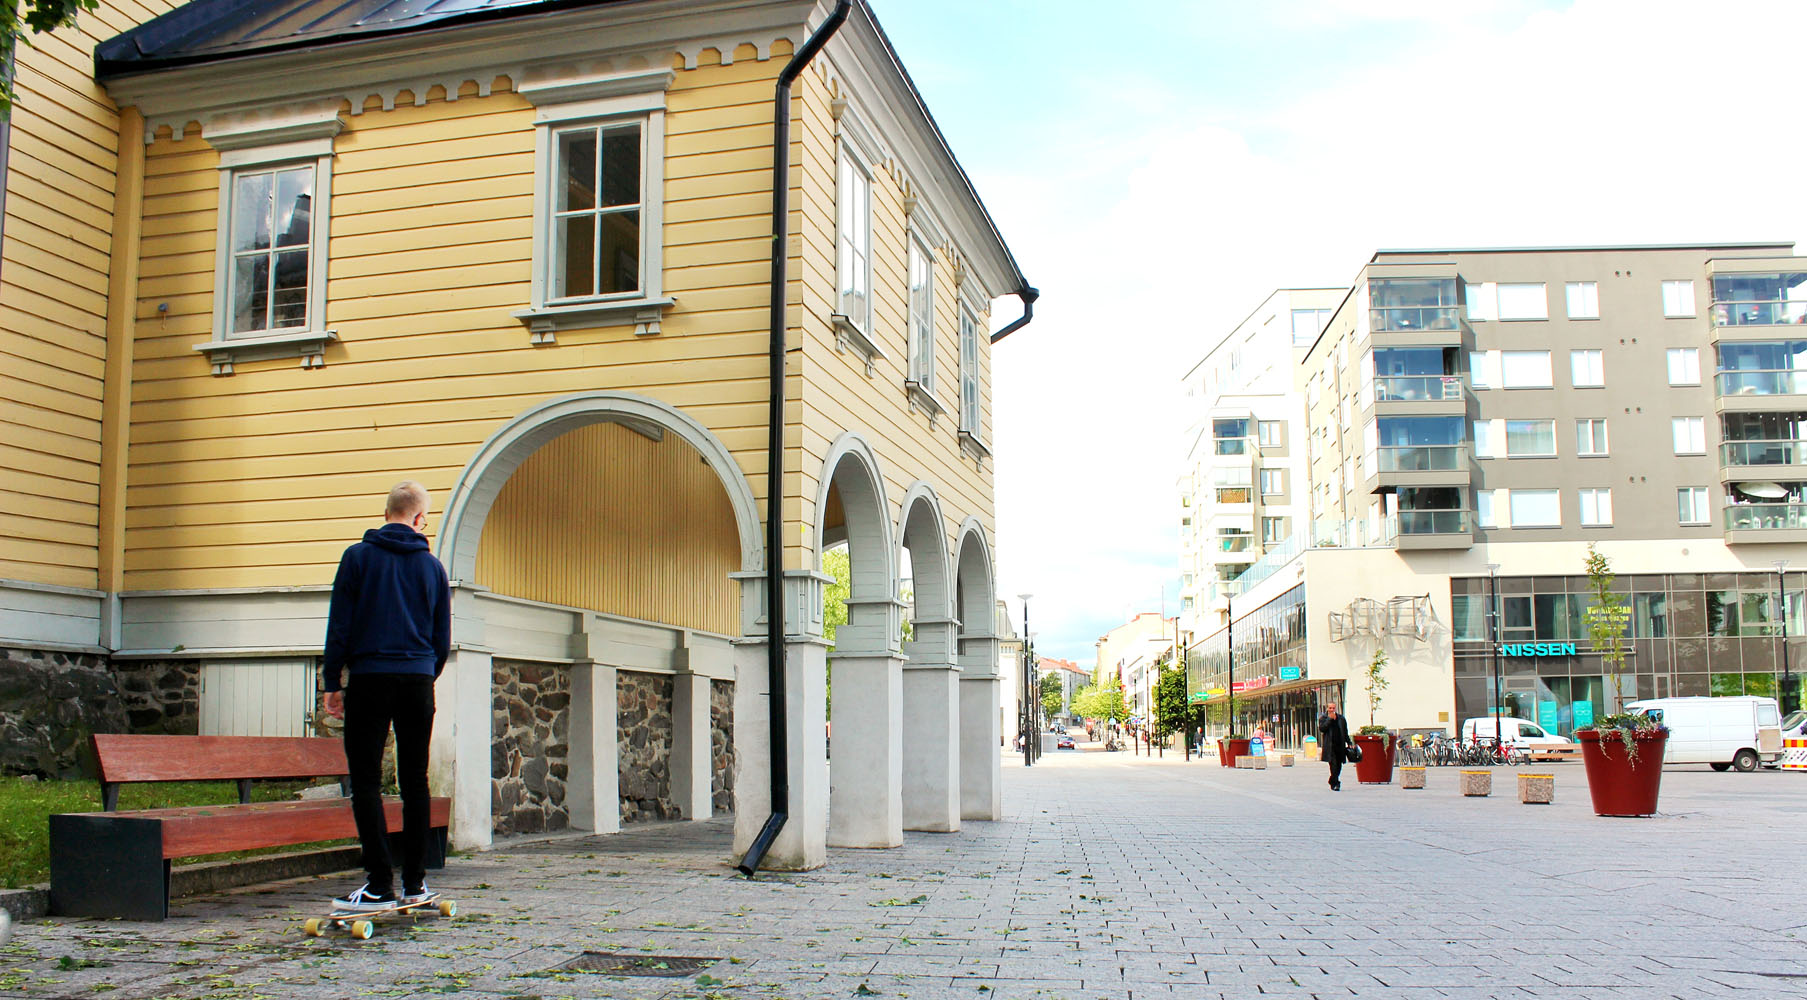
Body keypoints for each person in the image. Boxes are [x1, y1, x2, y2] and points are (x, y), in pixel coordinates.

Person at [322, 481, 451, 912]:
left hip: (371, 678)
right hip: (416, 681)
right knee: (415, 780)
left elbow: (339, 624)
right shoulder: (433, 568)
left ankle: (378, 883)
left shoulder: (357, 558)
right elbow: (441, 638)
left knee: (365, 782)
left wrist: (332, 683)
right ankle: (415, 883)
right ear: (419, 519)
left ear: (386, 513)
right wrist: (422, 673)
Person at [1317, 701, 1351, 791]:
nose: (1332, 710)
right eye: (1330, 708)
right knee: (1334, 766)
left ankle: (1332, 780)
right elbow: (1322, 729)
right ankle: (1336, 784)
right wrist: (1329, 719)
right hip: (1330, 746)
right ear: (1327, 708)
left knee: (1339, 766)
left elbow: (1345, 732)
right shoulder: (1323, 718)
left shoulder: (1341, 718)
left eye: (1333, 708)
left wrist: (1349, 742)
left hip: (1340, 746)